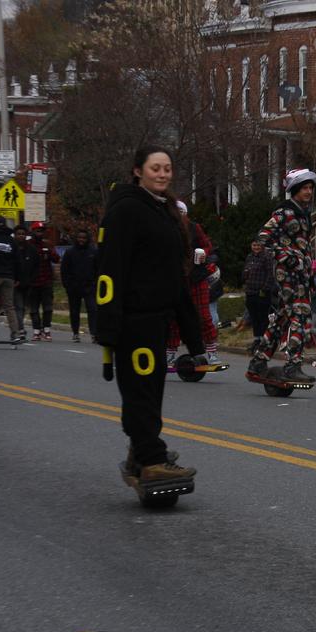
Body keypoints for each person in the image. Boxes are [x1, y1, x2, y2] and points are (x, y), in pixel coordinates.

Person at [96, 145, 203, 482]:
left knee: (152, 389)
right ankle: (151, 458)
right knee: (141, 389)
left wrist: (193, 333)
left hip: (158, 319)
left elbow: (176, 275)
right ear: (137, 171)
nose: (162, 174)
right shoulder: (126, 210)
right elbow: (109, 271)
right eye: (155, 168)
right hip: (133, 319)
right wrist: (109, 327)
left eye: (167, 168)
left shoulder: (164, 211)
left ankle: (139, 453)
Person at [246, 168, 316, 384]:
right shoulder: (285, 212)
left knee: (284, 316)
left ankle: (259, 361)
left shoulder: (302, 212)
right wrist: (289, 257)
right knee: (300, 315)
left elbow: (302, 246)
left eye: (311, 188)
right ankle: (293, 365)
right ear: (295, 189)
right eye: (305, 188)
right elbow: (263, 237)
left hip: (301, 274)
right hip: (288, 273)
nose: (308, 192)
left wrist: (308, 273)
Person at [165, 201, 220, 367]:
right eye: (176, 212)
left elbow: (208, 247)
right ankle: (170, 354)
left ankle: (211, 353)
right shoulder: (166, 228)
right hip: (175, 279)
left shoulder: (194, 228)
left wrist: (204, 254)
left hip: (196, 278)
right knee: (173, 319)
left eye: (182, 212)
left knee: (203, 317)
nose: (179, 215)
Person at [60, 229, 98, 343]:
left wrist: (95, 283)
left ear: (87, 239)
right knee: (74, 310)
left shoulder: (94, 252)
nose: (81, 240)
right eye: (79, 237)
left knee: (93, 309)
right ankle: (75, 333)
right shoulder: (70, 252)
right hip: (74, 287)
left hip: (89, 286)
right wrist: (67, 284)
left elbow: (98, 268)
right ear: (76, 239)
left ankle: (94, 334)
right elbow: (64, 269)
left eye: (84, 238)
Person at [26, 221, 61, 341]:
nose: (40, 233)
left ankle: (46, 330)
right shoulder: (28, 245)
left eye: (41, 231)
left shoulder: (47, 245)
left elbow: (56, 259)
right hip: (33, 282)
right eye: (37, 231)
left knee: (47, 307)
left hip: (46, 281)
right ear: (33, 231)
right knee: (34, 308)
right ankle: (36, 331)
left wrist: (50, 252)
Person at [0, 217, 18, 342]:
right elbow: (17, 260)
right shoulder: (11, 240)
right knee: (9, 306)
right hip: (9, 277)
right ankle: (15, 333)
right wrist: (18, 277)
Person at [242, 239, 274, 351]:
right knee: (254, 316)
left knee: (263, 317)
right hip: (250, 291)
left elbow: (270, 274)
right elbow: (245, 271)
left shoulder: (266, 257)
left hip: (261, 292)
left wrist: (265, 288)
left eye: (258, 245)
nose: (256, 247)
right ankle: (256, 339)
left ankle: (264, 340)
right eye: (254, 245)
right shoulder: (249, 257)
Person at [11, 225, 36, 340]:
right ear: (15, 235)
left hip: (28, 283)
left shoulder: (31, 249)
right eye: (19, 233)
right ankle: (20, 329)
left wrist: (32, 280)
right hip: (15, 283)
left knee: (24, 307)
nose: (21, 236)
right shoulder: (11, 248)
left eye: (23, 234)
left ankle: (19, 327)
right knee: (18, 306)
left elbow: (36, 266)